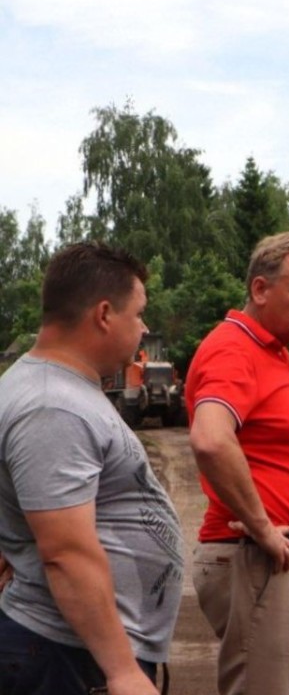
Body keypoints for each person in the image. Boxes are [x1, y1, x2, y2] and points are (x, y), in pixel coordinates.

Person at [0, 242, 184, 695]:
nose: (143, 328)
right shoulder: (52, 405)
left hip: (72, 652)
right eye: (139, 314)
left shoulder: (56, 389)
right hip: (66, 656)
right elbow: (66, 553)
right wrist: (121, 671)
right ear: (104, 314)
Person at [187, 232, 289, 695]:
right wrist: (263, 527)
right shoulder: (235, 349)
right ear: (260, 290)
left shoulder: (270, 350)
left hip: (279, 563)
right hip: (256, 558)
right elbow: (210, 439)